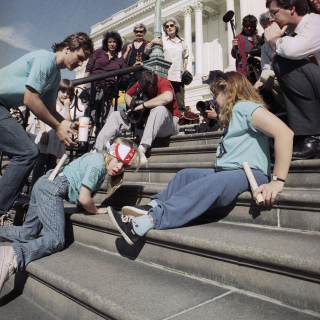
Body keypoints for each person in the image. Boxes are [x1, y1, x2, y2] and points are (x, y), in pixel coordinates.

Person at [106, 71, 294, 246]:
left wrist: (277, 181)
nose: (213, 99)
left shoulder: (245, 107)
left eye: (216, 94)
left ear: (230, 92)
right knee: (185, 175)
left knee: (207, 185)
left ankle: (149, 220)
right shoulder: (233, 114)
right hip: (229, 171)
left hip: (250, 173)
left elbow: (284, 133)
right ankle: (153, 205)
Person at [0, 138, 140, 293]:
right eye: (118, 161)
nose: (119, 167)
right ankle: (12, 257)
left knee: (28, 232)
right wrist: (96, 210)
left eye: (124, 166)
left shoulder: (95, 158)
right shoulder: (98, 165)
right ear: (111, 153)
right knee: (54, 240)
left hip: (43, 182)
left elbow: (79, 190)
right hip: (52, 189)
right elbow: (84, 198)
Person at [0, 32, 94, 221]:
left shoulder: (55, 75)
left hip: (2, 107)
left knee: (30, 150)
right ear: (67, 48)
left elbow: (50, 109)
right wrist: (58, 127)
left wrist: (68, 124)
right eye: (80, 57)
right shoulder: (45, 59)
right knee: (27, 152)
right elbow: (30, 100)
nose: (80, 64)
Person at [265, 0, 320, 159]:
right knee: (270, 127)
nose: (272, 19)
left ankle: (314, 139)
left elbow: (292, 50)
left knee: (284, 62)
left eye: (274, 13)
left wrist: (274, 39)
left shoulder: (315, 22)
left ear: (291, 9)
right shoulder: (295, 32)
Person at [94, 70, 180, 165]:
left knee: (159, 109)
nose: (150, 92)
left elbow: (168, 97)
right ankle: (97, 150)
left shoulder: (163, 81)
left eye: (152, 89)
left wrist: (144, 105)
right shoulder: (141, 83)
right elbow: (127, 94)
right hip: (145, 123)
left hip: (168, 124)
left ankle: (142, 149)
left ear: (156, 82)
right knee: (115, 115)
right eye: (147, 91)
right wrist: (133, 105)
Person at [31, 79, 74, 187]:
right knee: (40, 162)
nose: (65, 95)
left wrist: (67, 107)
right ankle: (34, 187)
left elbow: (67, 121)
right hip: (48, 134)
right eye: (63, 91)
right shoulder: (51, 103)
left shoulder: (66, 106)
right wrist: (44, 131)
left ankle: (46, 187)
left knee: (51, 164)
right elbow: (42, 117)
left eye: (68, 93)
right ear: (57, 91)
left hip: (57, 139)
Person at [83, 31, 124, 134]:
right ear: (106, 43)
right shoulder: (98, 52)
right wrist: (85, 85)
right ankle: (84, 140)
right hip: (93, 85)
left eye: (114, 42)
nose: (112, 44)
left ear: (118, 44)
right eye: (110, 41)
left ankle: (98, 139)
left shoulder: (119, 61)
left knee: (102, 116)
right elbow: (89, 67)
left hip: (108, 89)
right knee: (89, 113)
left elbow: (125, 75)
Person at [145, 17, 189, 114]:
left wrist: (185, 68)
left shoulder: (183, 42)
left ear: (175, 27)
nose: (169, 28)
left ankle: (180, 123)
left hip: (180, 76)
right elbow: (147, 52)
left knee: (180, 103)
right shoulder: (163, 41)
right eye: (167, 26)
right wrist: (152, 42)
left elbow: (186, 56)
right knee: (167, 101)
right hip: (167, 76)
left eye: (171, 25)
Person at [253, 12, 285, 109]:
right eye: (265, 29)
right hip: (280, 77)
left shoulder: (291, 33)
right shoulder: (265, 47)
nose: (267, 31)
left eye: (269, 27)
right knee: (266, 76)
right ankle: (285, 106)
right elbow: (266, 68)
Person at [231, 15, 261, 83]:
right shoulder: (239, 38)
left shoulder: (259, 38)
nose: (249, 28)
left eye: (251, 26)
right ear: (243, 25)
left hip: (258, 70)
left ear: (255, 26)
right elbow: (234, 55)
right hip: (244, 71)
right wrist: (234, 47)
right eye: (246, 25)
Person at [121, 24, 150, 91]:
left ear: (144, 33)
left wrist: (149, 48)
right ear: (134, 33)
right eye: (137, 31)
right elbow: (122, 60)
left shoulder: (148, 44)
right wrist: (128, 50)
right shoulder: (127, 45)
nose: (139, 33)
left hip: (143, 73)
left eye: (141, 31)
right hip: (130, 74)